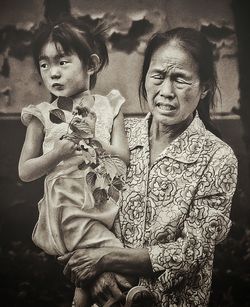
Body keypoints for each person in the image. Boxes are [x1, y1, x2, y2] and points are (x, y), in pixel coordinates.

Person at [58, 27, 238, 306]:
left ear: (204, 87)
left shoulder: (217, 157)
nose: (166, 91)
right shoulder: (117, 138)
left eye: (180, 79)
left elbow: (191, 252)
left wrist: (104, 259)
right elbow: (78, 208)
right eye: (158, 76)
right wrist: (95, 274)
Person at [18, 16, 151, 307]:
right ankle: (130, 293)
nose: (52, 73)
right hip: (66, 206)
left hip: (103, 199)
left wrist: (97, 143)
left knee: (90, 268)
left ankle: (89, 301)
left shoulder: (110, 107)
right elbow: (25, 171)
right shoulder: (41, 116)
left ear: (90, 65)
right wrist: (57, 154)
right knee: (108, 249)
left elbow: (123, 155)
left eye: (62, 62)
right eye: (44, 64)